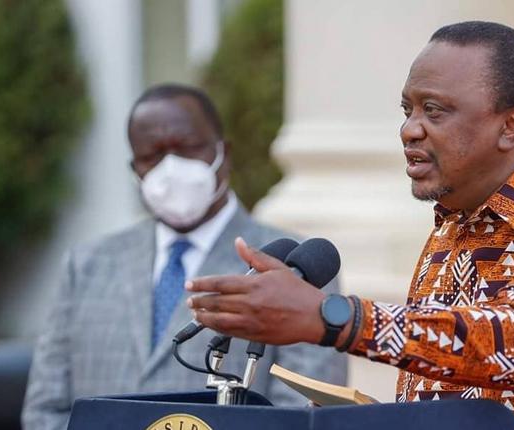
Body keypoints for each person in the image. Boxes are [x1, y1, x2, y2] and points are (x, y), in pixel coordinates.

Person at [186, 22, 514, 429]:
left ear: (513, 125)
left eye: (434, 111)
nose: (409, 129)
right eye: (408, 110)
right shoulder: (454, 222)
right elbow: (469, 388)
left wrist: (333, 318)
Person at [22, 84, 347, 429]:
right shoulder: (85, 264)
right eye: (152, 155)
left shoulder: (295, 266)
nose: (170, 168)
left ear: (224, 153)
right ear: (135, 168)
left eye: (187, 149)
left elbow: (305, 415)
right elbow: (46, 410)